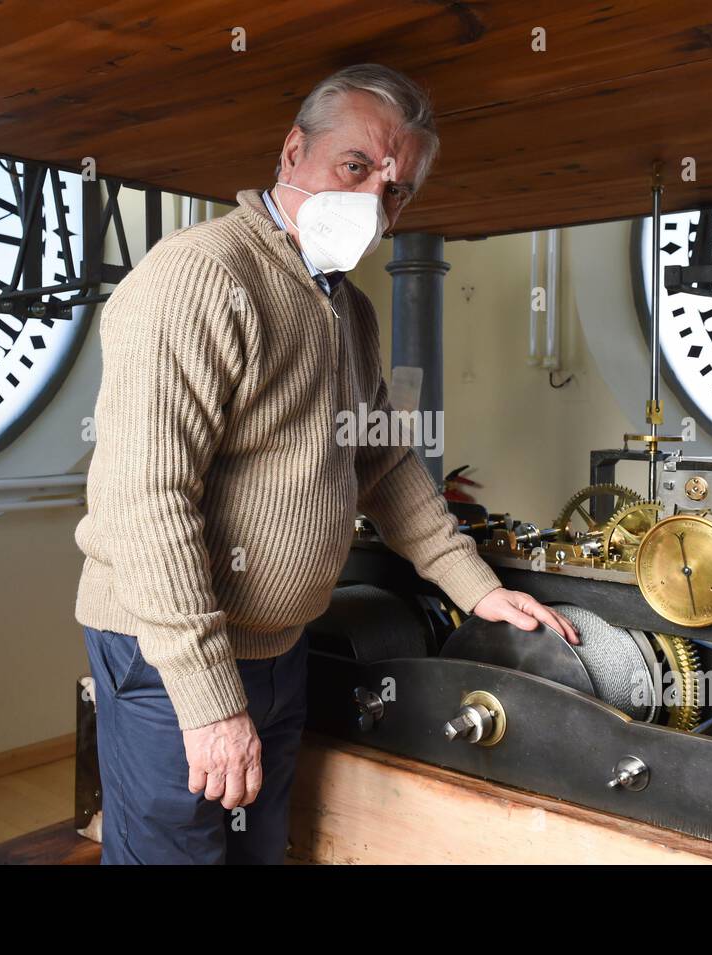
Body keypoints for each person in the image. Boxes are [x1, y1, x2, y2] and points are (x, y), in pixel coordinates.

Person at [74, 62, 579, 864]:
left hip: (278, 646)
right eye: (356, 167)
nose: (375, 202)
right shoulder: (200, 275)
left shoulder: (349, 306)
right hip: (169, 648)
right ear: (290, 153)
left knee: (256, 853)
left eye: (397, 188)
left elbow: (380, 462)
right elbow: (146, 502)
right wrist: (208, 704)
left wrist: (476, 587)